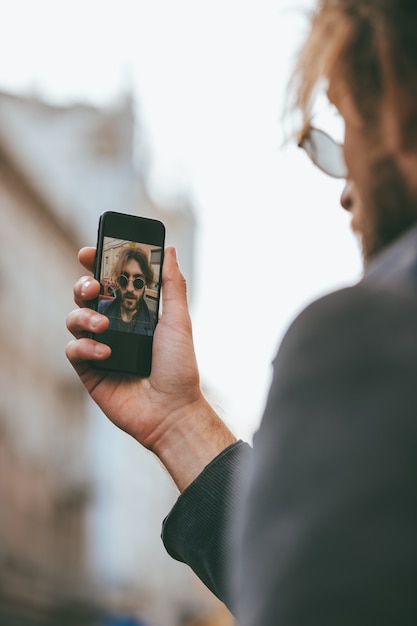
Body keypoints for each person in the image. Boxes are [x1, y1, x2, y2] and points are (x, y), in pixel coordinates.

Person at [66, 1, 417, 624]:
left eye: (347, 129)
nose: (343, 188)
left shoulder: (370, 335)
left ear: (399, 116)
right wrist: (178, 420)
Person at [98, 246, 156, 335]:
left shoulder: (154, 323)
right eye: (123, 279)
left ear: (146, 283)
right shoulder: (100, 309)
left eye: (138, 282)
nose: (130, 289)